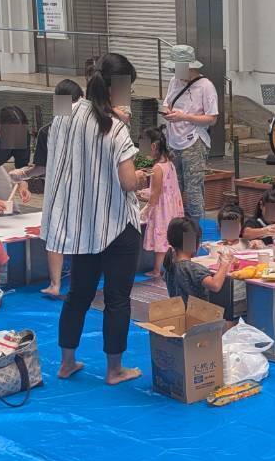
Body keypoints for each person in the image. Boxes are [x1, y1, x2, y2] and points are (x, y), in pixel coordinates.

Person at [40, 51, 148, 386]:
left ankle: (66, 362)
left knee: (78, 295)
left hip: (80, 224)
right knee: (117, 299)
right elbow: (127, 182)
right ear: (118, 88)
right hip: (117, 224)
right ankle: (114, 370)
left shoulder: (64, 113)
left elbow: (56, 149)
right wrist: (142, 177)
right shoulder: (116, 128)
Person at [9, 79, 83, 298]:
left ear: (56, 100)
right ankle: (84, 279)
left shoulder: (48, 130)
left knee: (55, 236)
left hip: (59, 191)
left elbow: (41, 167)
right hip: (84, 190)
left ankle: (55, 284)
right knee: (82, 234)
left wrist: (23, 174)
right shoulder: (90, 127)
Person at [161, 44, 219, 222]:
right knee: (174, 187)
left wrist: (184, 117)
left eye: (177, 68)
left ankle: (197, 229)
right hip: (173, 139)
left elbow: (212, 118)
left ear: (190, 67)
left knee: (193, 190)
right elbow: (167, 103)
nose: (174, 72)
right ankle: (177, 227)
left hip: (194, 141)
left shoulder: (206, 86)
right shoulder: (174, 81)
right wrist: (167, 112)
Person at [163, 215, 234, 319]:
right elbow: (215, 285)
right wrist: (225, 263)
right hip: (199, 319)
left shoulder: (170, 265)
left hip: (180, 317)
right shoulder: (192, 268)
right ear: (192, 243)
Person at [138, 126, 184, 282]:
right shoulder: (170, 164)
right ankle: (173, 265)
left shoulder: (157, 168)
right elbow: (167, 188)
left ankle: (157, 270)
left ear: (153, 146)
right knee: (171, 236)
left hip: (162, 209)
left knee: (161, 236)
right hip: (173, 206)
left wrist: (146, 209)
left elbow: (156, 193)